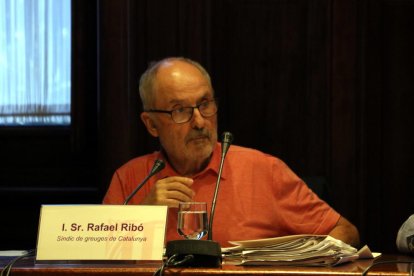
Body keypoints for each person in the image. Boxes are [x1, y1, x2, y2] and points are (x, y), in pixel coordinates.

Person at [103, 57, 360, 248]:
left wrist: (302, 262)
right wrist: (141, 216)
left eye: (205, 104)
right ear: (151, 124)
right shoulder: (130, 180)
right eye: (180, 110)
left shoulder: (263, 170)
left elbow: (345, 231)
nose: (200, 121)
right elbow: (97, 258)